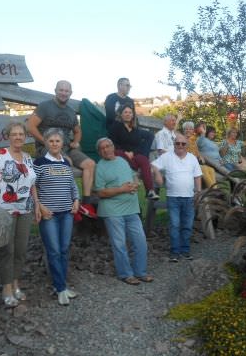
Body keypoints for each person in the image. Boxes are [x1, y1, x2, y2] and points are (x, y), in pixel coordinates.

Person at [0, 121, 41, 307]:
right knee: (7, 250)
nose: (18, 137)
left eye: (21, 134)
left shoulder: (28, 158)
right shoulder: (0, 156)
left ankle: (15, 283)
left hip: (25, 209)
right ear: (9, 136)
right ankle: (6, 288)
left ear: (25, 137)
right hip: (3, 210)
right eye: (14, 134)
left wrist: (36, 203)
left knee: (20, 251)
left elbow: (32, 183)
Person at [27, 80, 97, 219]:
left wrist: (76, 142)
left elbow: (77, 131)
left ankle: (85, 203)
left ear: (70, 93)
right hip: (47, 148)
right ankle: (70, 203)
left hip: (66, 147)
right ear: (55, 90)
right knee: (67, 162)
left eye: (66, 91)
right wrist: (44, 142)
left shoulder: (71, 112)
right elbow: (30, 126)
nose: (64, 93)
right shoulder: (45, 106)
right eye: (61, 90)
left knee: (90, 164)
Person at [94, 137, 153, 285]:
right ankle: (125, 274)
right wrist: (122, 189)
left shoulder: (122, 161)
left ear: (113, 147)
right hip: (112, 211)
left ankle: (140, 272)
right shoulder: (100, 167)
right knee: (119, 244)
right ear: (99, 152)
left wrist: (135, 183)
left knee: (140, 242)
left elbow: (132, 175)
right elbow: (100, 192)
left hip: (131, 209)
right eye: (102, 148)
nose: (106, 149)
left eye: (108, 146)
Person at [33, 129, 80, 306]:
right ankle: (60, 288)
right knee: (53, 251)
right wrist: (40, 206)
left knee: (64, 249)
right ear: (45, 143)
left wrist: (76, 199)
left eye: (57, 141)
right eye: (51, 141)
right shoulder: (39, 163)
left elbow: (72, 185)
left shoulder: (66, 164)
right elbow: (33, 187)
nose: (54, 144)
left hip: (66, 213)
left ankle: (62, 285)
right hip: (49, 215)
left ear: (62, 144)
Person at [152, 133, 202, 262]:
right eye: (177, 143)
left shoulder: (192, 158)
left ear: (187, 145)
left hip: (189, 198)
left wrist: (198, 192)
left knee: (187, 225)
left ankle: (185, 250)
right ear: (174, 144)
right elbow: (153, 165)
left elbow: (197, 176)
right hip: (173, 197)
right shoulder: (167, 156)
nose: (180, 145)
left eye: (183, 143)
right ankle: (174, 251)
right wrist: (157, 174)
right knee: (174, 225)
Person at [108, 104, 159, 200]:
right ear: (121, 114)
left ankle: (150, 191)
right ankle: (135, 168)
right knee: (118, 153)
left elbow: (138, 145)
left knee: (143, 159)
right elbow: (112, 143)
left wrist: (133, 153)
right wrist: (125, 152)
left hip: (133, 155)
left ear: (133, 115)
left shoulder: (135, 129)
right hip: (120, 154)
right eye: (125, 112)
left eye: (130, 112)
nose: (128, 114)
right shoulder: (116, 126)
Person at [105, 77, 154, 157]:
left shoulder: (130, 100)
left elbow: (133, 116)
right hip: (115, 128)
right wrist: (125, 125)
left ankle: (143, 157)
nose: (129, 88)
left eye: (129, 86)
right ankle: (132, 156)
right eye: (127, 85)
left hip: (130, 128)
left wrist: (136, 128)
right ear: (120, 86)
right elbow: (110, 116)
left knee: (149, 135)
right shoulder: (111, 98)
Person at [182, 121, 216, 188]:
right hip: (186, 164)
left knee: (211, 169)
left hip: (195, 163)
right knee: (204, 170)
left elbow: (196, 151)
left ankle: (215, 188)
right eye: (186, 129)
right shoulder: (182, 140)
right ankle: (214, 190)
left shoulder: (193, 140)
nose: (188, 130)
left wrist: (200, 156)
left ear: (192, 131)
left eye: (190, 129)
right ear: (184, 130)